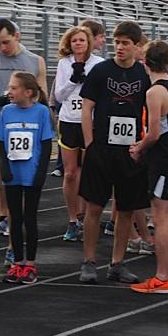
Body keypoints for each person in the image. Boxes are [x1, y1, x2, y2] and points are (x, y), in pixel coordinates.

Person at [77, 21, 150, 284]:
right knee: (95, 206)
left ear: (137, 47)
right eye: (117, 42)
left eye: (125, 43)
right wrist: (90, 143)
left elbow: (149, 110)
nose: (120, 47)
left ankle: (117, 263)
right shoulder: (100, 70)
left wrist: (143, 145)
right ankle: (89, 261)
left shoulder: (143, 75)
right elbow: (86, 108)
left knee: (126, 208)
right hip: (102, 148)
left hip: (129, 150)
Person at [0, 18, 48, 270]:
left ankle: (13, 250)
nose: (2, 48)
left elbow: (43, 97)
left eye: (6, 42)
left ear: (17, 35)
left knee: (17, 197)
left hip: (26, 136)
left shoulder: (35, 61)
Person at [130, 41, 168, 293]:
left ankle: (163, 276)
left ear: (145, 62)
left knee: (161, 216)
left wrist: (139, 147)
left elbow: (154, 133)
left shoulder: (154, 92)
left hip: (164, 161)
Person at [0, 72, 54, 284]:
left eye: (13, 88)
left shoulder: (41, 112)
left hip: (31, 173)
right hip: (13, 174)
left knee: (30, 218)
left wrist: (41, 173)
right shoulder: (7, 112)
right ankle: (17, 262)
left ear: (28, 92)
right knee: (14, 219)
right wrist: (4, 168)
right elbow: (0, 142)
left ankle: (30, 263)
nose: (9, 92)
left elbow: (46, 145)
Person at [54, 25, 104, 241]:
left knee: (89, 171)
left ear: (89, 42)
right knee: (70, 173)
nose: (78, 44)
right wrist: (73, 79)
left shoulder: (99, 64)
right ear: (69, 43)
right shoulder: (64, 64)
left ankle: (86, 217)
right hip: (68, 121)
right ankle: (72, 219)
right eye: (74, 40)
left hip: (90, 121)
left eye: (82, 40)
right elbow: (59, 95)